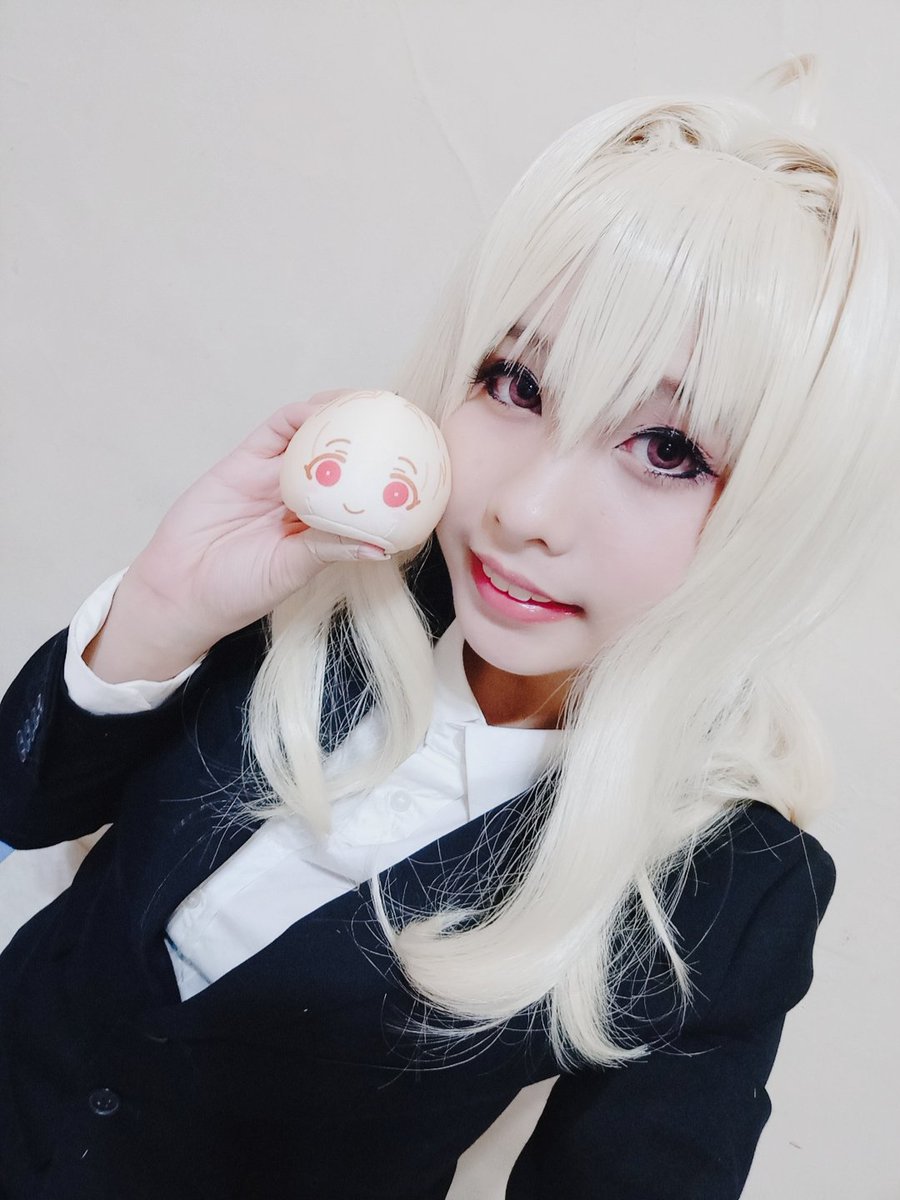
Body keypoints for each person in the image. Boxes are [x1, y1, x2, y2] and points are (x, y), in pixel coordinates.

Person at [2, 63, 898, 1199]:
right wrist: (161, 613)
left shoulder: (729, 891)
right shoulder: (319, 591)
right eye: (516, 384)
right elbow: (22, 807)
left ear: (782, 513)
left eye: (669, 450)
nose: (525, 510)